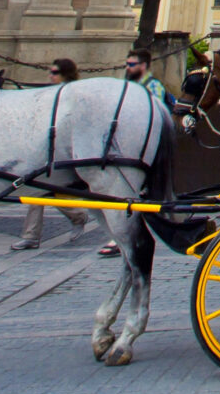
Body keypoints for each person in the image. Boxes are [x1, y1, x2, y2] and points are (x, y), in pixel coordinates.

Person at [101, 50, 171, 256]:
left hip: (146, 147)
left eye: (132, 64)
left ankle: (126, 236)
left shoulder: (153, 87)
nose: (128, 68)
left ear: (143, 65)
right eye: (127, 64)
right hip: (129, 145)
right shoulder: (129, 87)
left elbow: (153, 118)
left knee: (131, 191)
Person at [12, 60, 86, 250]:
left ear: (66, 74)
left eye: (54, 72)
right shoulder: (51, 93)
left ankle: (75, 217)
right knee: (39, 190)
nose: (50, 76)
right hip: (48, 148)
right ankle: (32, 235)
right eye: (50, 72)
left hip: (64, 151)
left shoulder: (72, 94)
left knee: (43, 189)